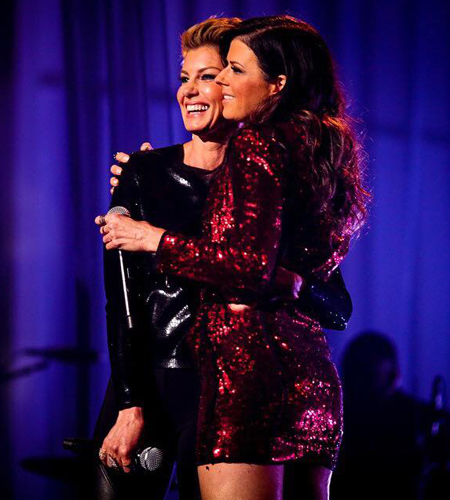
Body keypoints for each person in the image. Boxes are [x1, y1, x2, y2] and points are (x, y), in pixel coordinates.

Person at [96, 16, 364, 499]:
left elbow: (337, 306)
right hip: (152, 385)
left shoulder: (272, 169)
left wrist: (286, 282)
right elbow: (123, 303)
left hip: (235, 384)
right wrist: (131, 403)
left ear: (260, 85)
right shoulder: (145, 172)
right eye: (185, 77)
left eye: (217, 74)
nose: (196, 90)